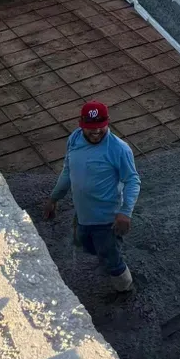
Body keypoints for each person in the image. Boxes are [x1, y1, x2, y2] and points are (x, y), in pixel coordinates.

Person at [43, 101, 140, 292]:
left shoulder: (119, 149)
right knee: (86, 245)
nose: (95, 132)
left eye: (100, 127)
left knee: (110, 256)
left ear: (108, 122)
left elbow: (132, 180)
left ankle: (126, 288)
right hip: (83, 215)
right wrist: (54, 198)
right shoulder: (74, 139)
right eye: (90, 128)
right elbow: (68, 171)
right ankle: (108, 256)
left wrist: (125, 212)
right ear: (81, 124)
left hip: (106, 219)